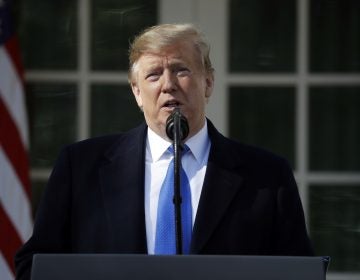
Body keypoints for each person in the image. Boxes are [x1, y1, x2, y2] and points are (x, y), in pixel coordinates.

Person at [15, 23, 313, 279]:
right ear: (136, 92)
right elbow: (35, 267)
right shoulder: (80, 167)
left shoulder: (267, 176)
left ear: (208, 83)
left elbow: (297, 271)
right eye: (154, 75)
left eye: (181, 70)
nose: (168, 85)